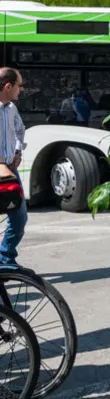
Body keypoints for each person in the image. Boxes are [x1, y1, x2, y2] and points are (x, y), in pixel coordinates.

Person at [0, 68, 26, 266]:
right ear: (8, 87)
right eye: (20, 85)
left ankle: (5, 258)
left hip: (10, 170)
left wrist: (17, 153)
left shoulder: (11, 108)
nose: (21, 89)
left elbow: (20, 129)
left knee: (19, 217)